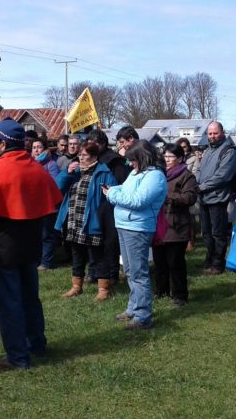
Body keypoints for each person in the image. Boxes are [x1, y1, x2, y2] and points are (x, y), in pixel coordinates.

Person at [0, 119, 62, 369]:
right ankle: (37, 345)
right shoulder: (37, 168)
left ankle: (18, 357)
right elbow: (53, 200)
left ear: (1, 143)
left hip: (2, 247)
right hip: (31, 245)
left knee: (9, 302)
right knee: (31, 298)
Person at [105, 140, 167, 330]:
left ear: (143, 157)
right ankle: (133, 308)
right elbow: (124, 189)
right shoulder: (136, 173)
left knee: (139, 273)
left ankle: (142, 315)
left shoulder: (155, 176)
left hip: (138, 228)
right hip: (125, 225)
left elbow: (138, 201)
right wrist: (114, 190)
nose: (130, 164)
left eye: (133, 160)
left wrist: (111, 195)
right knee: (131, 271)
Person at [55, 142, 117, 299]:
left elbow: (112, 195)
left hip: (92, 220)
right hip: (74, 220)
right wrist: (67, 173)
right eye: (80, 155)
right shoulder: (74, 171)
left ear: (94, 157)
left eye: (84, 155)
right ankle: (76, 286)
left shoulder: (104, 172)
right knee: (77, 254)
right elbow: (57, 187)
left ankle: (103, 289)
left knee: (97, 255)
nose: (80, 158)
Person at [152, 143, 198, 306]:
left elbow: (190, 198)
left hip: (176, 225)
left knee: (175, 263)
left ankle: (180, 295)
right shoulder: (159, 174)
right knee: (160, 262)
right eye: (165, 156)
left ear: (179, 158)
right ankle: (161, 291)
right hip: (159, 224)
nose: (167, 159)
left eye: (170, 156)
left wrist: (168, 195)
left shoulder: (186, 176)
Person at [86, 129, 130, 284]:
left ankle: (112, 274)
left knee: (110, 242)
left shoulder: (115, 161)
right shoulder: (90, 159)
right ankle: (94, 272)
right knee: (92, 239)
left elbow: (121, 182)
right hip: (93, 204)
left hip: (109, 205)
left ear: (102, 144)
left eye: (95, 144)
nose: (91, 147)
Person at [197, 121, 236, 275]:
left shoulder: (229, 151)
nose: (212, 136)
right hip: (204, 198)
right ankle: (209, 260)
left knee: (218, 234)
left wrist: (202, 187)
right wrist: (196, 183)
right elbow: (200, 171)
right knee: (207, 233)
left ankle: (218, 264)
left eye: (215, 133)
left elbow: (223, 176)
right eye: (209, 133)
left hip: (218, 198)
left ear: (222, 132)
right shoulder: (208, 150)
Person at [32, 137, 61, 271]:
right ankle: (38, 259)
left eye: (39, 147)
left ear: (45, 149)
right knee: (36, 235)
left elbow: (55, 185)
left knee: (47, 234)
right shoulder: (30, 163)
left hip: (48, 205)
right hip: (34, 205)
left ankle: (47, 262)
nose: (36, 150)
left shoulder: (51, 164)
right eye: (34, 148)